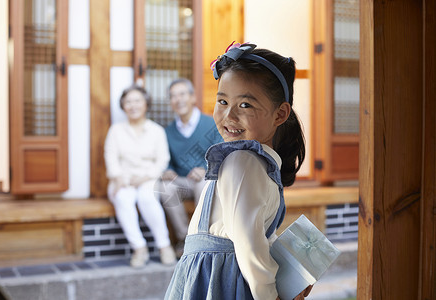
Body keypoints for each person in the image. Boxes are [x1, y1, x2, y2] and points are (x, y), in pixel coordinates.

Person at [164, 42, 312, 300]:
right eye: (222, 101)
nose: (228, 115)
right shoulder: (243, 160)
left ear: (280, 114)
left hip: (218, 276)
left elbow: (252, 235)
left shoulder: (245, 160)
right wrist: (272, 295)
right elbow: (248, 242)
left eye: (245, 105)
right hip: (227, 280)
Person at [104, 84, 176, 268]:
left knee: (147, 198)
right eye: (128, 102)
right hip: (124, 180)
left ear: (146, 104)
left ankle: (164, 246)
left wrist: (145, 177)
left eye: (137, 100)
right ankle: (139, 248)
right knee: (122, 198)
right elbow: (111, 158)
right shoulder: (116, 131)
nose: (133, 105)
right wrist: (118, 178)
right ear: (123, 106)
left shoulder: (156, 131)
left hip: (148, 179)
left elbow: (162, 160)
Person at [158, 78, 222, 257]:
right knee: (164, 188)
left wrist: (204, 168)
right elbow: (166, 158)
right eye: (173, 96)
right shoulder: (168, 131)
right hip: (182, 181)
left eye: (182, 94)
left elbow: (221, 152)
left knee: (204, 182)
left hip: (205, 179)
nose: (178, 99)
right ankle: (185, 239)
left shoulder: (210, 124)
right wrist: (168, 170)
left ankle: (203, 237)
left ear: (193, 97)